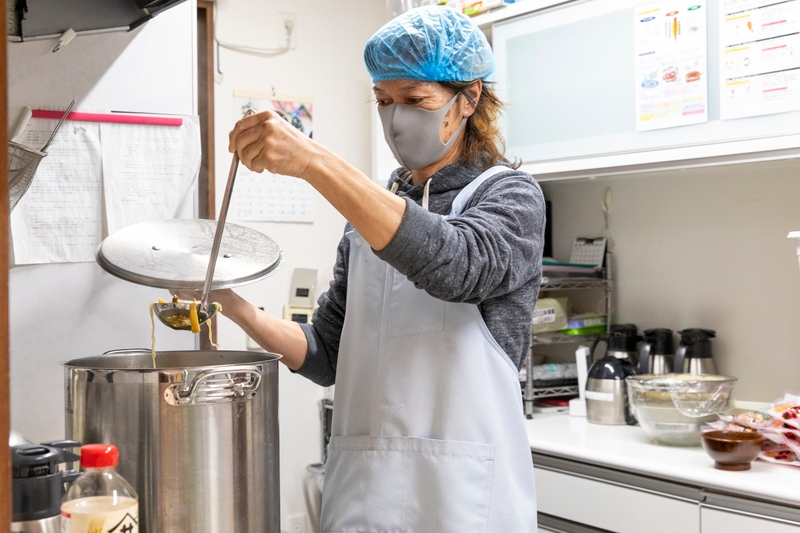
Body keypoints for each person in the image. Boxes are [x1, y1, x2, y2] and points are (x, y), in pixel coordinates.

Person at [220, 6, 544, 532]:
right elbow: (328, 353)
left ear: (470, 97)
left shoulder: (508, 195)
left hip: (460, 503)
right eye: (383, 100)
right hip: (362, 494)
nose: (396, 118)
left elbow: (455, 266)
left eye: (415, 100)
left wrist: (313, 162)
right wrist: (232, 305)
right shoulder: (373, 211)